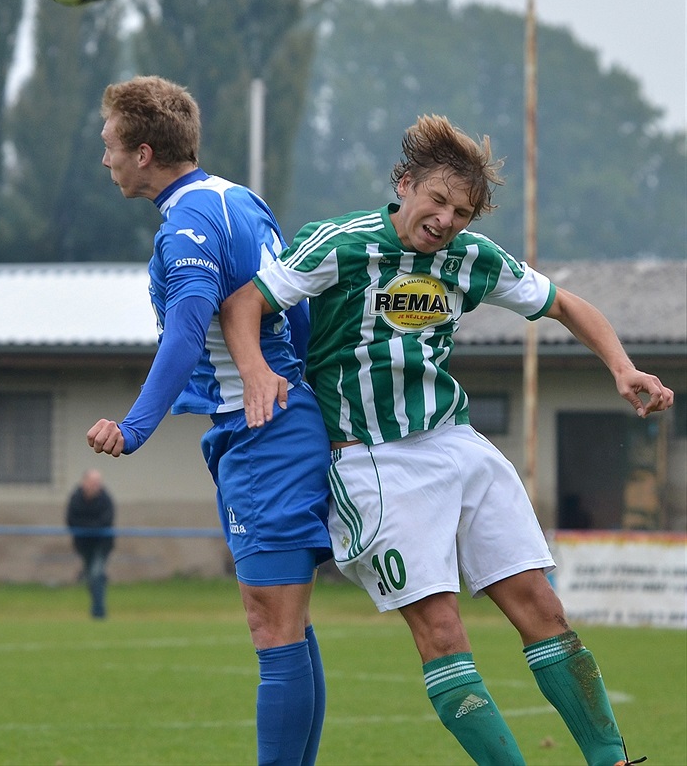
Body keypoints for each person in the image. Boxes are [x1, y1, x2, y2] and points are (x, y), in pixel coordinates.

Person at [220, 114, 673, 766]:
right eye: (437, 200)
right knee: (442, 629)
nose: (447, 219)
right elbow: (244, 304)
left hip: (458, 446)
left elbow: (567, 303)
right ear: (405, 184)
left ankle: (612, 760)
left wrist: (623, 367)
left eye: (462, 211)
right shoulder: (342, 243)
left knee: (543, 609)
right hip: (375, 462)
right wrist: (257, 370)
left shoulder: (471, 259)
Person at [86, 76, 332, 766]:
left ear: (141, 152)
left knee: (273, 625)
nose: (103, 160)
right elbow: (297, 307)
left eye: (107, 145)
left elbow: (190, 327)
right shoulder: (238, 199)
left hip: (265, 432)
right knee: (287, 622)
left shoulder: (187, 225)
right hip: (270, 425)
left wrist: (135, 426)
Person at [66, 468, 115, 618]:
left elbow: (106, 521)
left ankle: (99, 611)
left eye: (98, 482)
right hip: (84, 545)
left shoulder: (105, 499)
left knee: (96, 573)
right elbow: (71, 520)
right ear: (84, 482)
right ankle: (97, 607)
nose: (95, 485)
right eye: (92, 482)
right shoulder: (76, 498)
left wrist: (88, 526)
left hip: (102, 544)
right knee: (91, 576)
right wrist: (90, 526)